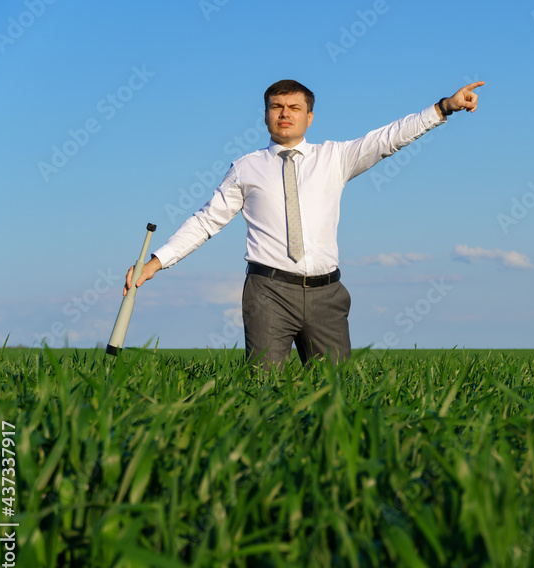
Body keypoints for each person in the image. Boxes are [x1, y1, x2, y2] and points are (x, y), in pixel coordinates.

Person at [123, 78, 485, 369]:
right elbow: (206, 221)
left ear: (309, 117)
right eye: (276, 107)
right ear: (265, 115)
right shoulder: (246, 167)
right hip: (269, 292)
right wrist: (156, 261)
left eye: (294, 108)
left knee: (335, 396)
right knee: (262, 391)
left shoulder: (336, 157)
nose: (285, 114)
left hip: (328, 294)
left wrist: (443, 108)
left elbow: (389, 138)